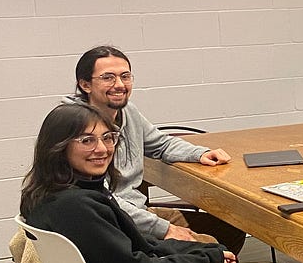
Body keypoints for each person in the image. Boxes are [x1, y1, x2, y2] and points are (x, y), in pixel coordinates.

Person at [20, 102, 302, 263]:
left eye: (108, 137)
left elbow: (134, 248)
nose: (102, 149)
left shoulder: (47, 192)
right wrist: (207, 259)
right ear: (58, 147)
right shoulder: (76, 206)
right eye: (87, 141)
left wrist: (202, 254)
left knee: (215, 254)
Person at [68, 45, 244, 251]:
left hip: (137, 211)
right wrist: (163, 228)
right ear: (85, 84)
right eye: (108, 77)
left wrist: (200, 153)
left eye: (125, 76)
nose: (119, 84)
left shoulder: (128, 112)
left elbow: (161, 143)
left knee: (230, 229)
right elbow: (102, 201)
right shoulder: (73, 127)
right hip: (112, 222)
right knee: (212, 248)